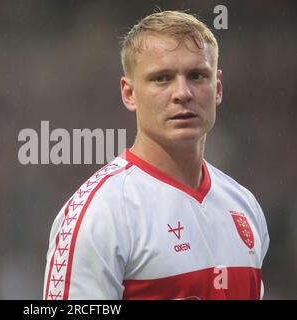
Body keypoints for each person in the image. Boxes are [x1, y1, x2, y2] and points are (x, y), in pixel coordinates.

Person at [43, 10, 269, 300]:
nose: (183, 92)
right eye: (162, 78)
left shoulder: (244, 205)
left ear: (218, 88)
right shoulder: (100, 214)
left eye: (197, 75)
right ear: (129, 93)